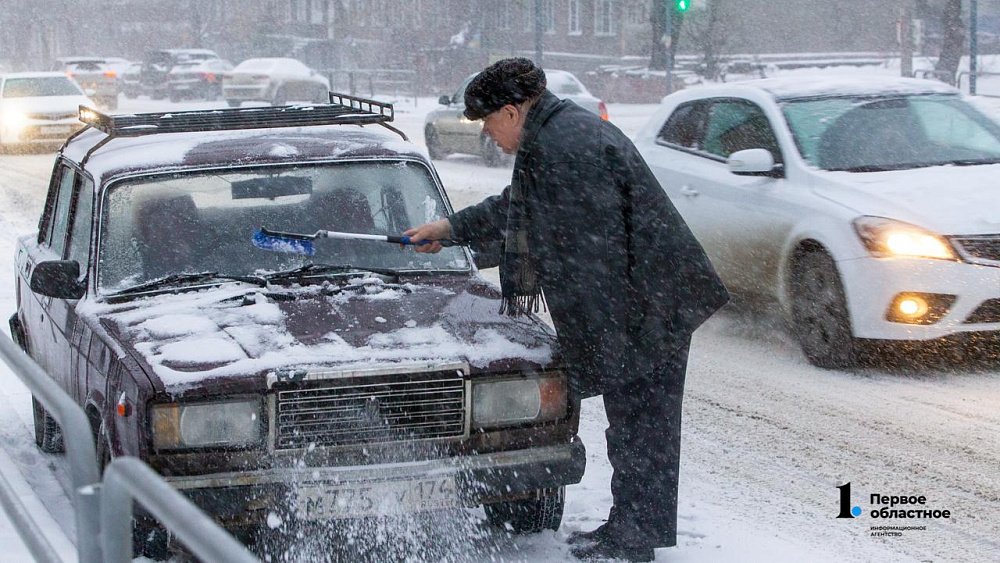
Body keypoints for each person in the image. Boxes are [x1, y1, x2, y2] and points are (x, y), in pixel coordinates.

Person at [405, 58, 728, 562]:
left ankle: (634, 540)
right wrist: (449, 231)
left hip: (646, 305)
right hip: (643, 298)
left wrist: (602, 350)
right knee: (638, 428)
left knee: (643, 429)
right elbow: (521, 207)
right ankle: (630, 528)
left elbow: (590, 256)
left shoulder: (566, 149)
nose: (490, 137)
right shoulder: (555, 139)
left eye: (489, 125)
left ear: (512, 112)